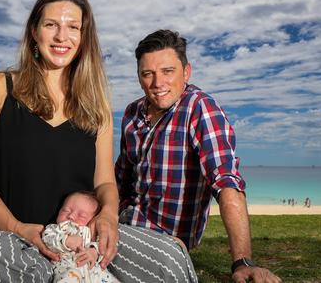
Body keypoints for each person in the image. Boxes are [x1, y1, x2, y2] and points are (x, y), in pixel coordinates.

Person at [0, 0, 194, 282]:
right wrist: (16, 226)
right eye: (51, 25)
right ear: (34, 31)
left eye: (73, 27)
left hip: (82, 241)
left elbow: (104, 181)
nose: (62, 37)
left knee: (169, 259)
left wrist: (109, 217)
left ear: (84, 37)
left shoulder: (96, 103)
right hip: (11, 237)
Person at [115, 29, 282, 283]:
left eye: (167, 71)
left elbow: (226, 181)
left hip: (165, 244)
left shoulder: (199, 108)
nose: (157, 83)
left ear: (186, 72)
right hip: (121, 226)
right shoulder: (131, 113)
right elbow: (120, 181)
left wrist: (243, 261)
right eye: (147, 74)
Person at [42, 191, 119, 283]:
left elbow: (104, 245)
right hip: (68, 268)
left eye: (81, 216)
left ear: (93, 220)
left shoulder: (92, 231)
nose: (71, 216)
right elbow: (47, 239)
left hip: (96, 273)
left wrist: (94, 252)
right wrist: (65, 241)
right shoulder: (55, 229)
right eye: (65, 210)